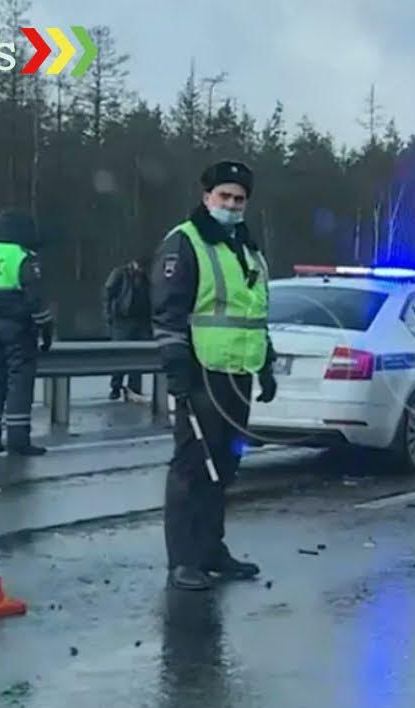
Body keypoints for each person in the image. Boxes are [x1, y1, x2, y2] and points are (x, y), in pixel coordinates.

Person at [152, 160, 278, 591]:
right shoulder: (185, 243)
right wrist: (177, 372)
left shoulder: (246, 248)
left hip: (238, 373)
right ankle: (183, 560)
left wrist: (267, 364)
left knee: (224, 465)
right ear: (206, 197)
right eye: (224, 196)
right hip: (202, 372)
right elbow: (168, 312)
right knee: (192, 465)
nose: (231, 204)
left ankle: (211, 549)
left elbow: (254, 313)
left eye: (239, 199)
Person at [0, 209, 53, 456]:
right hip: (18, 328)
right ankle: (18, 440)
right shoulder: (22, 257)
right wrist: (46, 329)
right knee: (19, 381)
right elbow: (34, 298)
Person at [103, 254, 153, 401]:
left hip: (141, 320)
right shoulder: (121, 273)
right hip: (123, 320)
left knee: (138, 358)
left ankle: (134, 390)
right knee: (120, 356)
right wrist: (108, 315)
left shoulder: (145, 278)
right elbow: (108, 293)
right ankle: (116, 387)